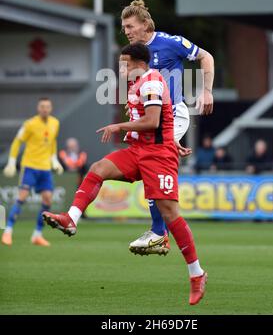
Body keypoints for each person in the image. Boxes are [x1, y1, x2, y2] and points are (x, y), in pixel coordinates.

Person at [43, 43, 208, 306]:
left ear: (139, 63)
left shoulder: (151, 81)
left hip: (158, 155)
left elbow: (153, 121)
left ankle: (196, 274)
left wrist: (120, 126)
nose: (120, 68)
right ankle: (71, 219)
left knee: (170, 213)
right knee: (98, 168)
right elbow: (159, 122)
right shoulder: (136, 83)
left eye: (124, 63)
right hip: (138, 150)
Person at [121, 0, 214, 255]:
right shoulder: (130, 55)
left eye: (130, 26)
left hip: (174, 113)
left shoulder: (171, 43)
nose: (126, 31)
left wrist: (206, 91)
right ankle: (160, 232)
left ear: (145, 24)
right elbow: (132, 88)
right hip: (152, 120)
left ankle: (159, 232)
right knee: (146, 165)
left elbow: (206, 57)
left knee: (151, 162)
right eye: (124, 27)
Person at [1, 98, 64, 246]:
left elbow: (53, 141)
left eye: (47, 106)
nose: (45, 109)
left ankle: (37, 235)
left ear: (51, 108)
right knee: (21, 197)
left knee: (48, 199)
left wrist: (54, 160)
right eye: (42, 106)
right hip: (29, 166)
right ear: (38, 108)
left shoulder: (55, 123)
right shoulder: (29, 124)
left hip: (45, 168)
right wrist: (11, 162)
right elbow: (17, 141)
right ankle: (7, 232)